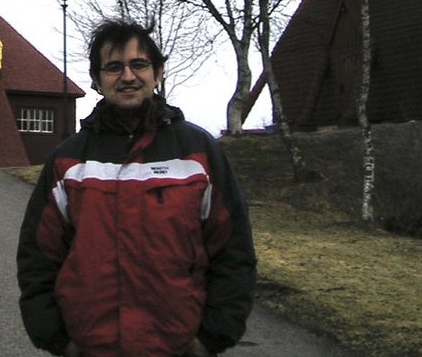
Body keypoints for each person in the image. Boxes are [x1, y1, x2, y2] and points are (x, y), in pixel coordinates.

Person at [16, 19, 256, 357]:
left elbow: (234, 252)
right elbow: (37, 258)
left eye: (139, 65)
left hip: (176, 347)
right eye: (114, 67)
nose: (128, 76)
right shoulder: (68, 161)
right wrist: (57, 339)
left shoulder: (199, 152)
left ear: (158, 73)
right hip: (90, 348)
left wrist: (211, 338)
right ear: (97, 81)